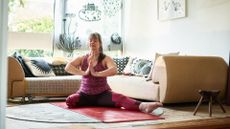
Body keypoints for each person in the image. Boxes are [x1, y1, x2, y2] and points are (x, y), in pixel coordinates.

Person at [65, 32, 163, 115]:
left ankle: (143, 106)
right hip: (84, 94)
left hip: (102, 94)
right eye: (90, 40)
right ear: (88, 43)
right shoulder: (82, 58)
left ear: (100, 44)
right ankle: (94, 103)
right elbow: (68, 67)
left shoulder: (105, 59)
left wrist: (96, 73)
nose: (92, 42)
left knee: (120, 98)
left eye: (95, 40)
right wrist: (85, 72)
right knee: (70, 100)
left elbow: (114, 69)